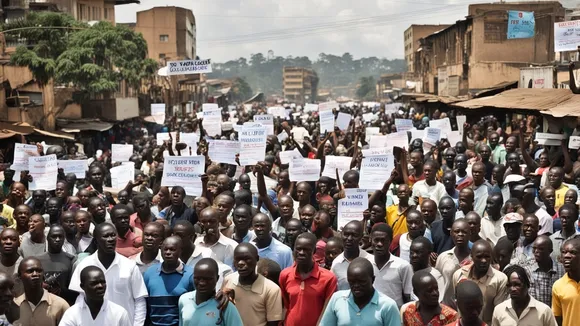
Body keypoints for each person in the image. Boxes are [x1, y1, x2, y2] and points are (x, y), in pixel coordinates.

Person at [69, 222, 148, 326]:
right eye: (105, 236)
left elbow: (139, 300)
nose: (110, 239)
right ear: (96, 240)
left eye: (113, 235)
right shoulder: (84, 265)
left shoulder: (130, 266)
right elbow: (80, 300)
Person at [320, 257, 401, 326]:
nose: (356, 286)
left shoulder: (387, 305)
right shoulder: (337, 299)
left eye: (361, 282)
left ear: (372, 280)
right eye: (352, 282)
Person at [279, 232, 337, 326]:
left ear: (314, 251)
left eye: (306, 249)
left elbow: (328, 310)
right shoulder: (285, 275)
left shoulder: (328, 278)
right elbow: (285, 305)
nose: (301, 253)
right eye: (298, 249)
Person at [221, 243, 284, 326]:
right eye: (237, 259)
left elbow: (273, 323)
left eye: (247, 259)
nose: (240, 263)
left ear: (256, 259)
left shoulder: (271, 289)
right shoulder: (228, 280)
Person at [452, 240, 508, 325]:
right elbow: (458, 304)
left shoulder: (500, 279)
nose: (484, 260)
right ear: (471, 256)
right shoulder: (459, 275)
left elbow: (499, 312)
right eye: (479, 257)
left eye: (487, 256)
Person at [143, 236, 194, 326]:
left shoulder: (190, 275)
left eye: (172, 249)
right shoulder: (149, 273)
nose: (168, 252)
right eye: (165, 249)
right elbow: (145, 304)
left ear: (180, 251)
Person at [178, 258, 243, 326]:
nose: (202, 283)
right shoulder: (184, 300)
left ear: (217, 279)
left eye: (208, 279)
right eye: (197, 278)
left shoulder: (224, 306)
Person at [58, 266, 131, 325]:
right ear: (82, 286)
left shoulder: (119, 313)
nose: (100, 286)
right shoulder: (72, 313)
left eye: (103, 282)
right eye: (94, 283)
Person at [491, 265, 557, 326]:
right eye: (509, 285)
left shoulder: (543, 311)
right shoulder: (499, 310)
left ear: (527, 285)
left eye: (517, 285)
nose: (512, 289)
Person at [14, 257, 70, 325]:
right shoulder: (14, 306)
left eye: (39, 271)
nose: (35, 274)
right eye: (30, 271)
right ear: (20, 276)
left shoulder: (60, 305)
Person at [370, 223, 413, 308]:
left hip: (395, 314)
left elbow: (409, 296)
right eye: (376, 240)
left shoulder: (403, 266)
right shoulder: (366, 264)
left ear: (390, 241)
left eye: (383, 241)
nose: (379, 244)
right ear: (370, 240)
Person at [435, 219, 472, 308]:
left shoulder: (475, 258)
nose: (460, 234)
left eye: (464, 232)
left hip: (469, 308)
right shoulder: (443, 257)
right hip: (447, 307)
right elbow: (437, 281)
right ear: (451, 233)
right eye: (456, 231)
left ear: (470, 234)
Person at [37, 224, 76, 305]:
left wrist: (61, 290)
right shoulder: (38, 260)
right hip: (42, 303)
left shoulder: (71, 259)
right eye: (54, 236)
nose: (57, 239)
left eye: (60, 236)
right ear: (47, 238)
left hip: (65, 304)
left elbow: (74, 289)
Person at [331, 220, 374, 290]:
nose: (349, 239)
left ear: (361, 237)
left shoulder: (371, 261)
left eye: (354, 235)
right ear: (341, 234)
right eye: (346, 234)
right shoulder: (336, 263)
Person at [524, 235, 565, 307]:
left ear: (550, 251)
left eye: (541, 249)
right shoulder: (527, 269)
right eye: (534, 248)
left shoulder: (561, 269)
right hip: (534, 313)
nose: (536, 251)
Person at [552, 237, 580, 326]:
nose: (567, 256)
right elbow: (557, 318)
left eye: (573, 252)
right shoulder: (558, 286)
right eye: (564, 252)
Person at [410, 237, 445, 302]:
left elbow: (440, 301)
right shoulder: (407, 271)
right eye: (411, 252)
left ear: (429, 254)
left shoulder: (435, 275)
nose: (414, 255)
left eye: (419, 252)